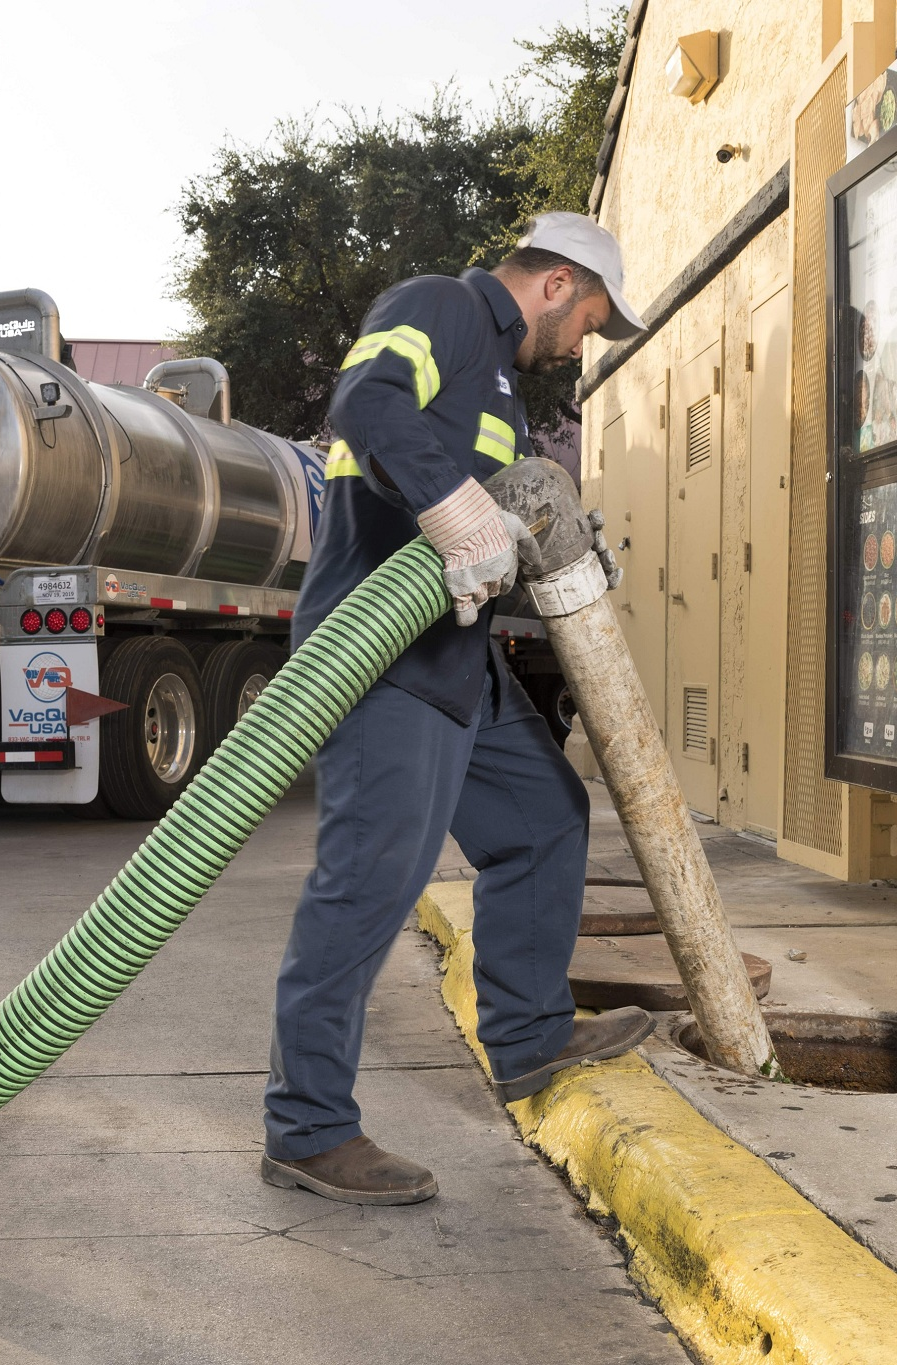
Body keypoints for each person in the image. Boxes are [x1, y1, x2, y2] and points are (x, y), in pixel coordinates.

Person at [261, 213, 652, 1206]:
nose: (581, 348)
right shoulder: (440, 306)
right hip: (378, 659)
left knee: (544, 821)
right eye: (589, 322)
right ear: (559, 284)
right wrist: (452, 504)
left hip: (455, 661)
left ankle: (525, 1039)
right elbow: (366, 404)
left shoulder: (503, 386)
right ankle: (306, 1131)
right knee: (368, 885)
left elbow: (481, 537)